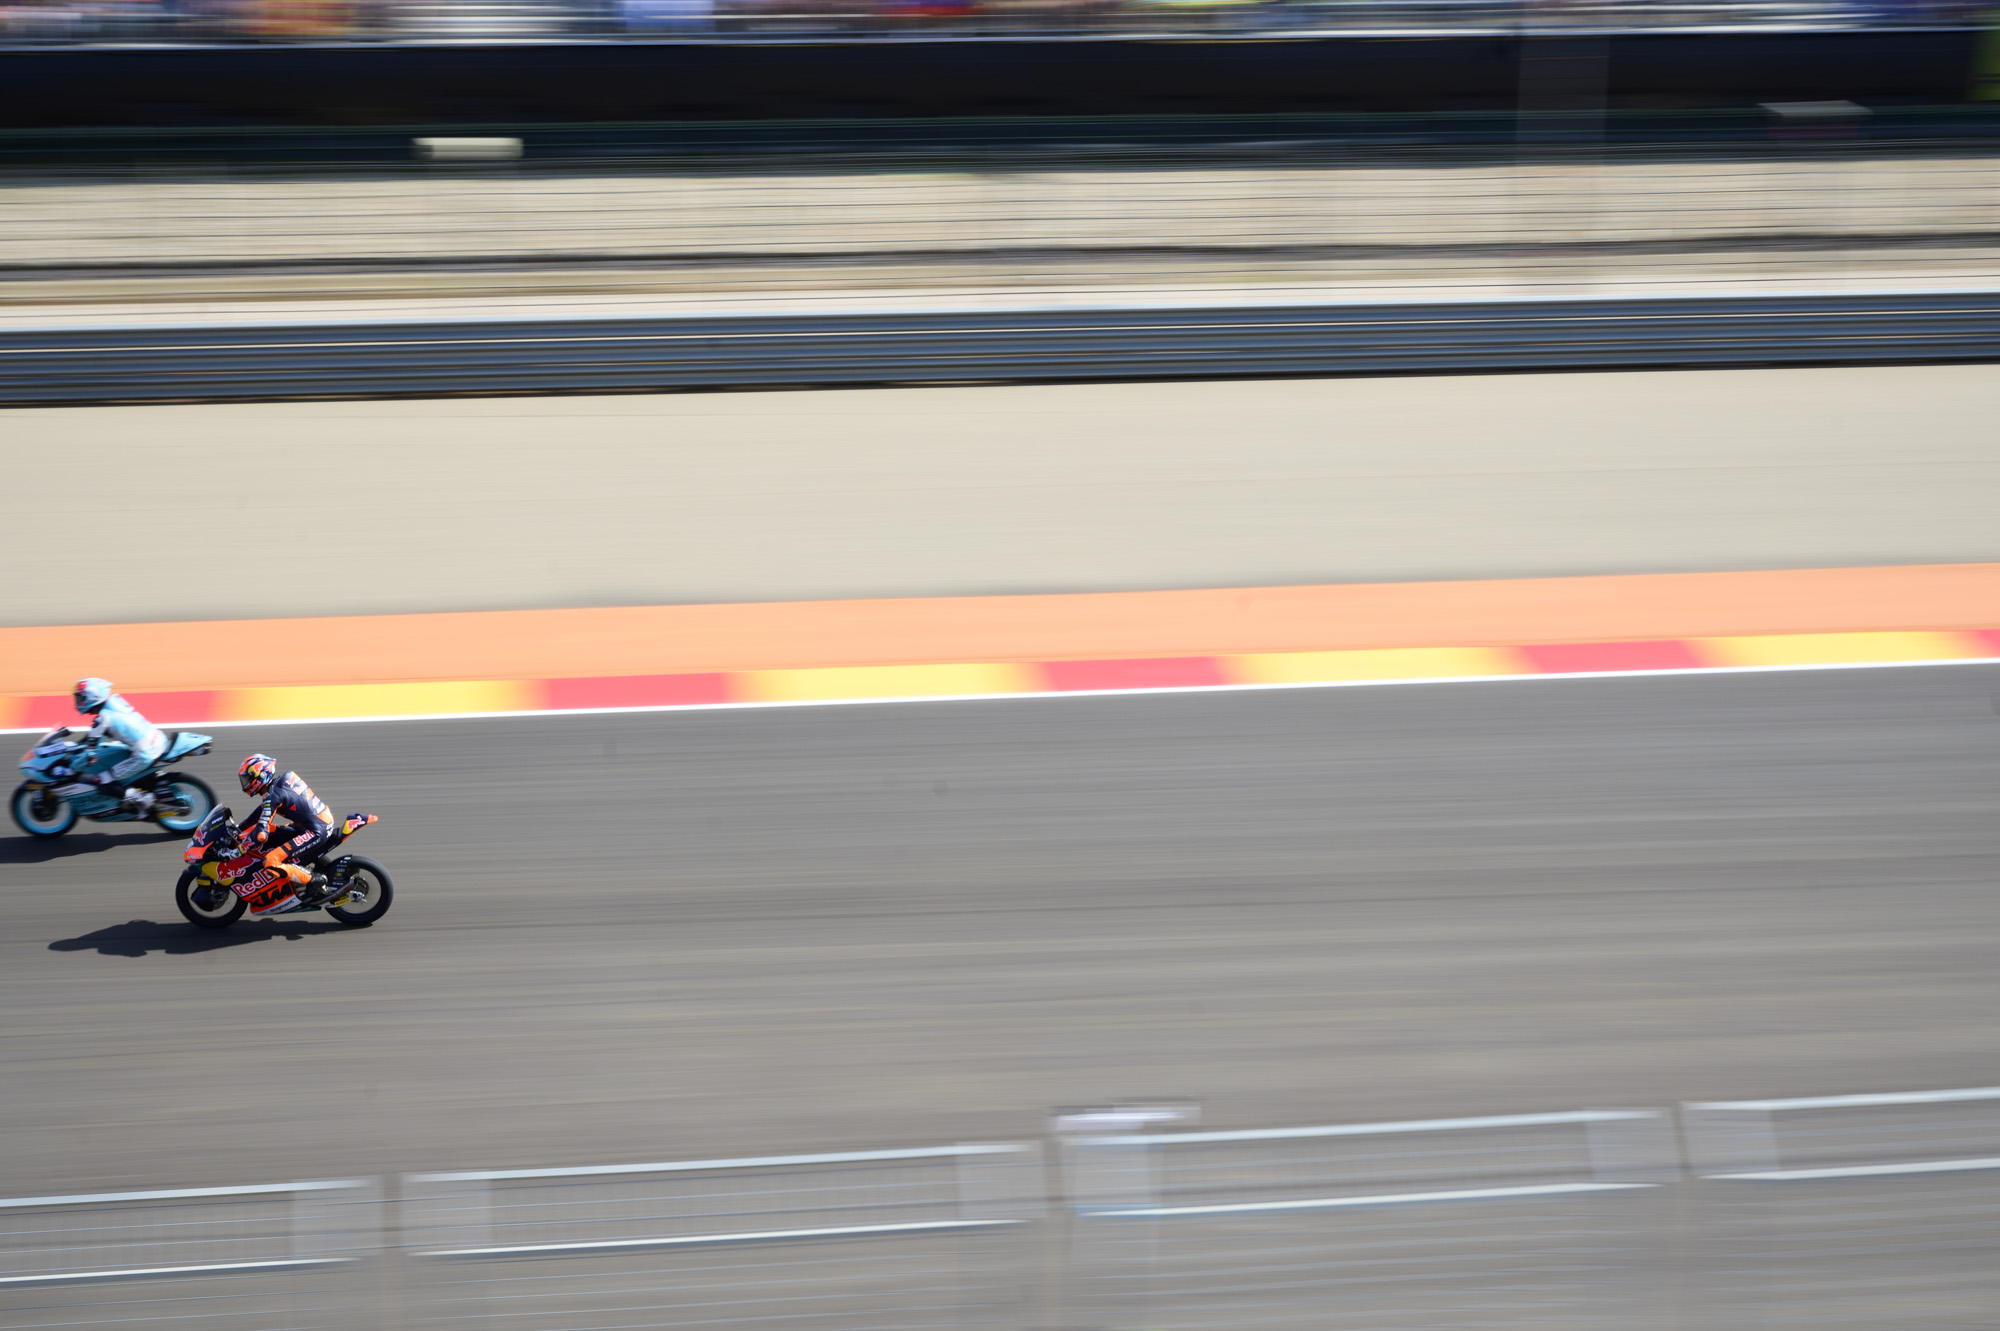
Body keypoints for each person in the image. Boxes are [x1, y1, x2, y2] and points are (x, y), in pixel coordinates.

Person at [230, 754, 340, 905]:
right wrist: (240, 827)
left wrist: (237, 851)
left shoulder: (273, 795)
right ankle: (308, 868)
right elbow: (263, 809)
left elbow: (261, 834)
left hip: (314, 830)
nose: (246, 783)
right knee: (277, 837)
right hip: (317, 821)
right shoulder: (281, 782)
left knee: (270, 861)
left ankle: (314, 880)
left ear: (261, 775)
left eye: (248, 779)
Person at [71, 677, 167, 815]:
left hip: (144, 755)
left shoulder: (102, 719)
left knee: (102, 780)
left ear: (92, 697)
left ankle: (143, 802)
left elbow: (90, 749)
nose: (78, 702)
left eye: (80, 698)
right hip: (157, 740)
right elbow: (93, 737)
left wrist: (84, 755)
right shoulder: (115, 701)